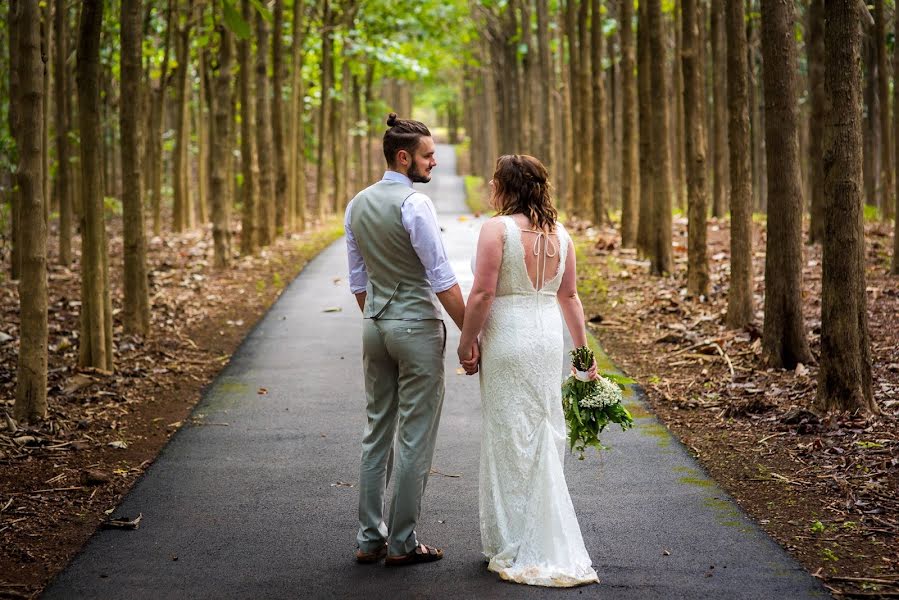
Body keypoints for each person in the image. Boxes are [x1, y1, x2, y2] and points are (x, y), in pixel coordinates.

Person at [457, 154, 600, 587]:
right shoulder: (562, 235)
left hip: (508, 337)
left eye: (495, 179)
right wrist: (583, 354)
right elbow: (570, 297)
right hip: (545, 339)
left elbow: (482, 293)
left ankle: (514, 540)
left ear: (507, 186)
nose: (489, 183)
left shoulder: (496, 230)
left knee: (507, 434)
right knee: (543, 426)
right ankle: (538, 530)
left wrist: (467, 343)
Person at [345, 113, 478, 566]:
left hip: (375, 326)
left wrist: (380, 320)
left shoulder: (356, 204)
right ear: (404, 158)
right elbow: (441, 277)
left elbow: (358, 280)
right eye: (427, 155)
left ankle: (368, 539)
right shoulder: (414, 205)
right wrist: (469, 333)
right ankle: (402, 542)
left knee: (375, 431)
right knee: (415, 436)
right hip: (416, 328)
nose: (434, 163)